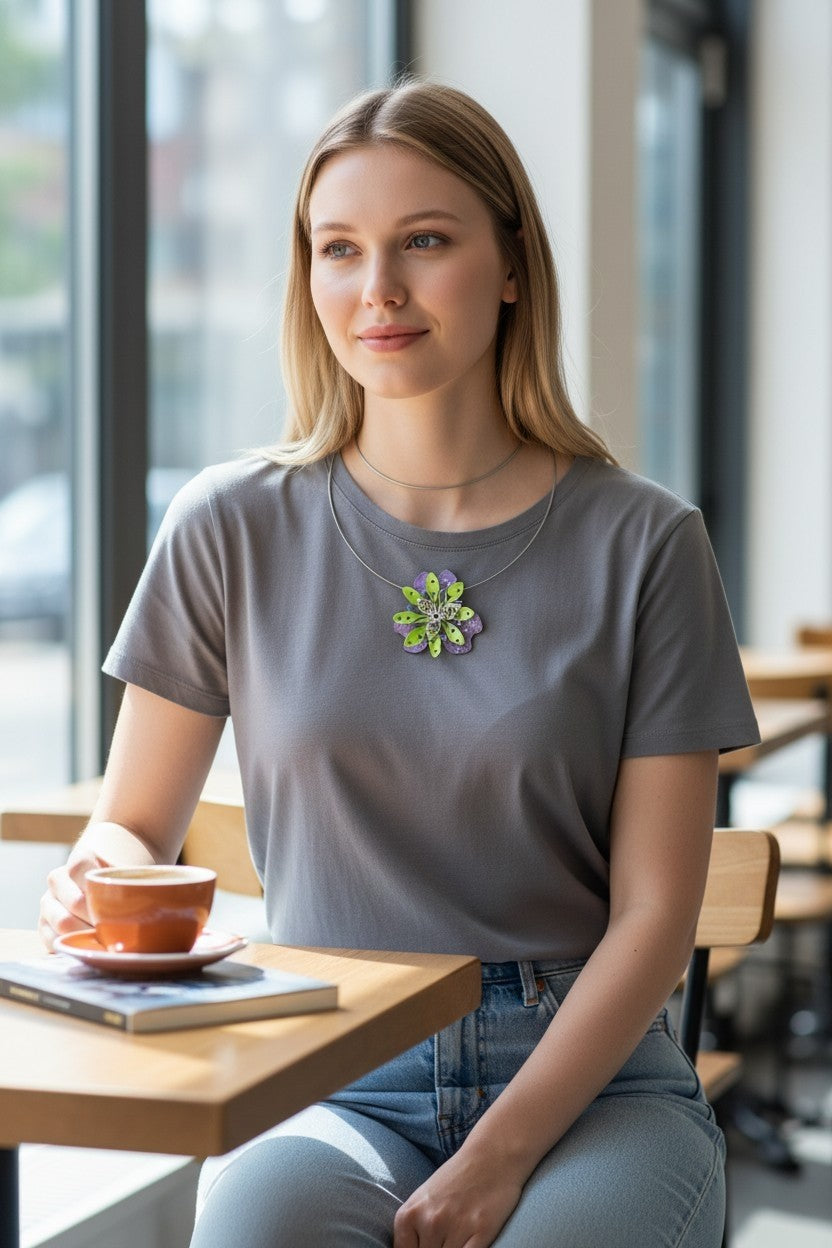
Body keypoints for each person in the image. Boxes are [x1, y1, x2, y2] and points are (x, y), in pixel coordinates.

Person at [40, 80, 759, 1247]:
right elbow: (132, 827)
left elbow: (656, 918)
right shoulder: (228, 524)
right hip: (325, 1064)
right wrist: (97, 880)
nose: (376, 291)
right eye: (339, 249)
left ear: (512, 264)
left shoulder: (646, 543)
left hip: (589, 1083)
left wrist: (497, 1157)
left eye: (423, 241)